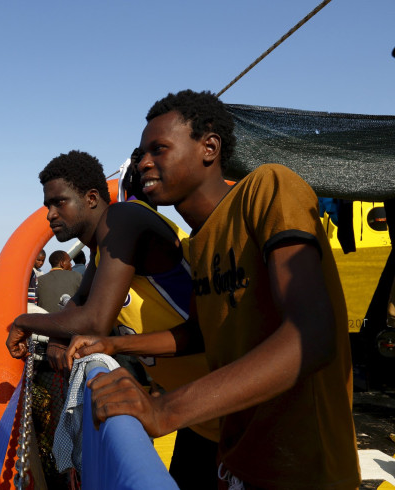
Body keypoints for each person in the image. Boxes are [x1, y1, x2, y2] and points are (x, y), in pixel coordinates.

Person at [71, 90, 360, 489]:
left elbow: (311, 335)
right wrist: (114, 346)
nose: (144, 163)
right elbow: (197, 335)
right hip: (236, 456)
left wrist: (164, 409)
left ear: (209, 148)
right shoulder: (201, 239)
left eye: (159, 149)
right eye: (140, 154)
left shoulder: (268, 188)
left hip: (304, 467)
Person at [5, 149, 219, 488]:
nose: (50, 215)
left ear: (91, 198)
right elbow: (75, 307)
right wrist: (58, 339)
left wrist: (22, 323)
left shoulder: (122, 221)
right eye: (47, 205)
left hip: (226, 393)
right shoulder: (100, 249)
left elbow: (93, 322)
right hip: (199, 408)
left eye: (58, 202)